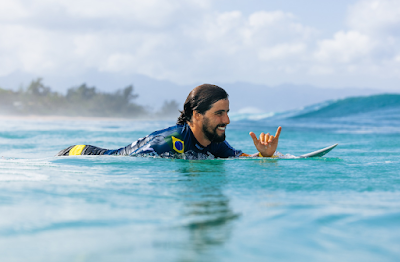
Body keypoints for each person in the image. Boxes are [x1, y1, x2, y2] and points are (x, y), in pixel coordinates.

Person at [57, 84, 281, 159]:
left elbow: (241, 159)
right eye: (219, 113)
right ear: (196, 115)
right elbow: (125, 169)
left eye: (227, 112)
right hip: (81, 156)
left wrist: (264, 155)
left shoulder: (214, 142)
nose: (227, 120)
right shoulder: (167, 142)